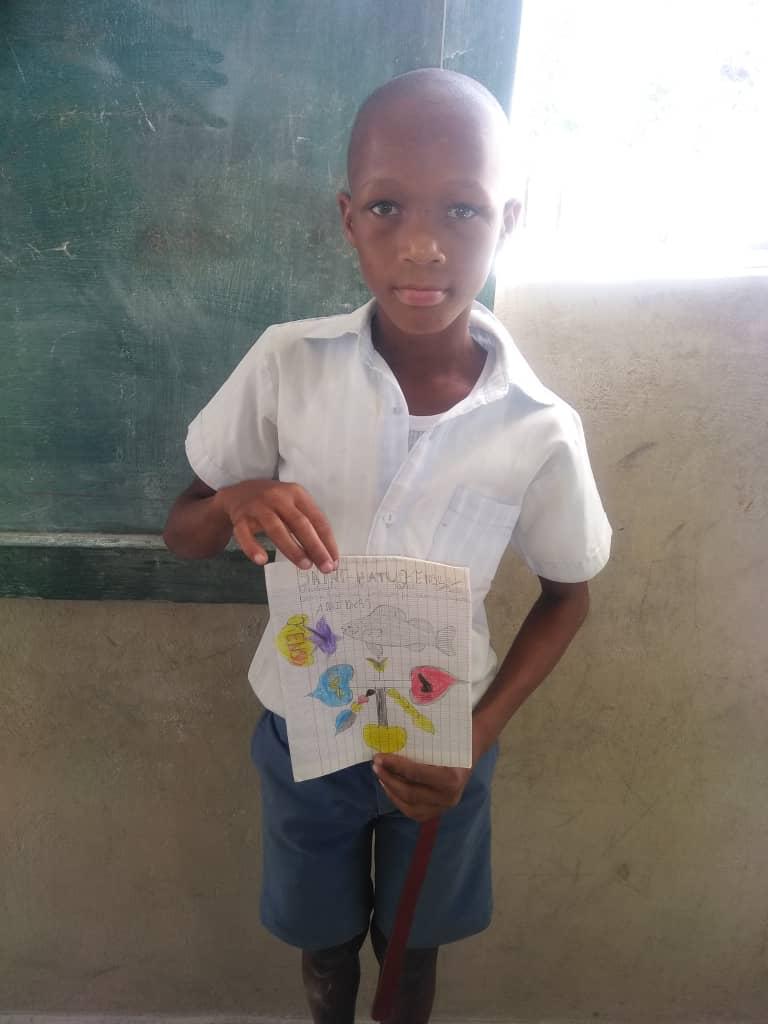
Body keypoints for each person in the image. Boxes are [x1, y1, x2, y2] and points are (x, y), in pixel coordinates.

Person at [163, 68, 611, 1024]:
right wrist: (238, 498)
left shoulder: (538, 425)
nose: (421, 244)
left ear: (509, 220)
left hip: (447, 744)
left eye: (462, 210)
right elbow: (184, 531)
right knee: (324, 949)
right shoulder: (287, 364)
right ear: (347, 218)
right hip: (304, 731)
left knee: (411, 956)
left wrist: (474, 739)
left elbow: (568, 593)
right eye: (386, 207)